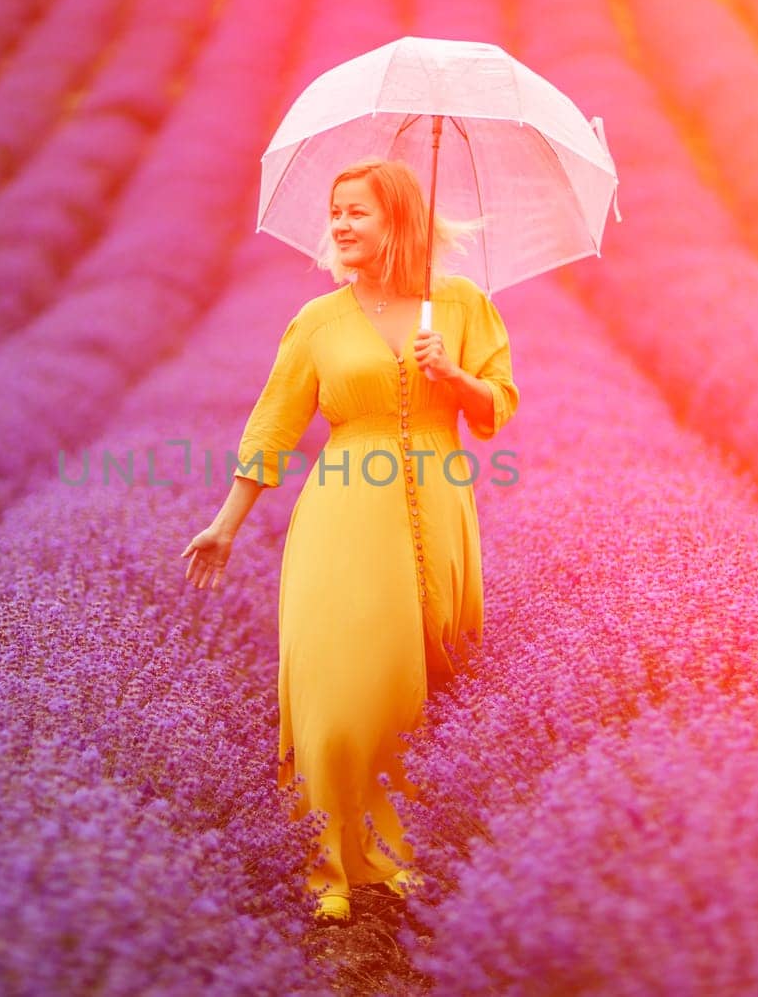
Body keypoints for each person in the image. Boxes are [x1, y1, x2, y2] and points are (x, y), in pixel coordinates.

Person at [181, 158, 519, 925]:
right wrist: (225, 525)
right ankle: (326, 857)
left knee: (420, 684)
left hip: (437, 504)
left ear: (396, 219)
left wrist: (455, 377)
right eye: (335, 211)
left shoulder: (462, 305)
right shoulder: (317, 321)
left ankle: (398, 852)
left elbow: (499, 403)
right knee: (340, 686)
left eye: (357, 211)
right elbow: (273, 428)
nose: (339, 224)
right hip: (343, 513)